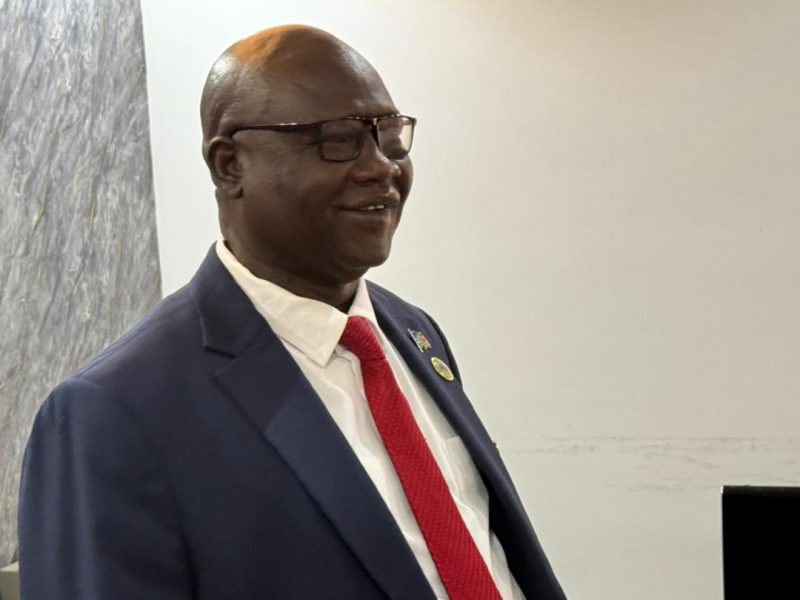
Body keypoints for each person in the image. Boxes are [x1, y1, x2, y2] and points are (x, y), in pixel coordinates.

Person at [18, 25, 564, 599]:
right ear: (230, 165)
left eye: (389, 137)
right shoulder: (115, 411)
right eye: (338, 140)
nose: (381, 167)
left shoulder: (412, 332)